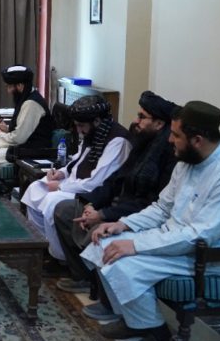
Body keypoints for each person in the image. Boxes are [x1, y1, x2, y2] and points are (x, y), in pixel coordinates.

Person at [80, 101, 220, 341]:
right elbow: (162, 208)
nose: (170, 140)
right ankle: (139, 320)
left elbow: (199, 235)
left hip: (212, 256)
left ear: (197, 140)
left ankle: (153, 329)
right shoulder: (186, 163)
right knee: (103, 241)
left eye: (176, 135)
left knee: (122, 260)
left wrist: (135, 245)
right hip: (176, 240)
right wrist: (124, 224)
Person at [52, 91, 177, 319]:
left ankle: (111, 302)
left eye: (142, 117)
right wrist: (92, 203)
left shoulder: (169, 154)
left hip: (136, 213)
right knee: (64, 210)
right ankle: (83, 276)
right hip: (116, 204)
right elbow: (116, 179)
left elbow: (150, 202)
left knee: (101, 232)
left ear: (159, 124)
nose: (135, 121)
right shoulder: (142, 142)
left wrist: (104, 214)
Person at [22, 95, 131, 261]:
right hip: (73, 183)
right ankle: (42, 246)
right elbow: (77, 160)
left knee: (52, 200)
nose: (79, 130)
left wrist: (60, 187)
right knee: (35, 189)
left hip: (91, 193)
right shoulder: (93, 133)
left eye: (81, 126)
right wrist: (61, 173)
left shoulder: (118, 141)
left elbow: (96, 182)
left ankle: (60, 257)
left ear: (96, 121)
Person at [0, 65, 55, 180]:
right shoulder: (26, 98)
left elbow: (19, 138)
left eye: (9, 87)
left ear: (20, 85)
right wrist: (7, 128)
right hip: (18, 145)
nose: (8, 91)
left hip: (28, 150)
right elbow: (23, 129)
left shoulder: (31, 104)